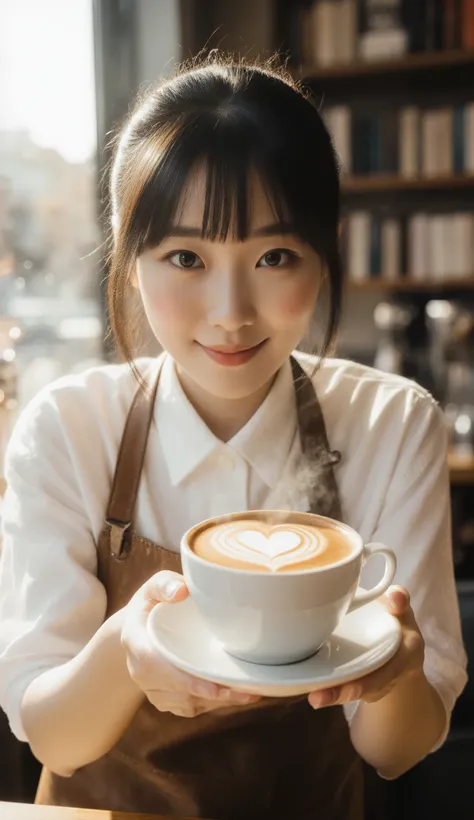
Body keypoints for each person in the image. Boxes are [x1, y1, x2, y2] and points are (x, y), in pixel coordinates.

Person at [0, 56, 467, 820]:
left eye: (274, 256)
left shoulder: (392, 423)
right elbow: (52, 735)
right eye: (185, 257)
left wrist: (394, 674)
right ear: (131, 257)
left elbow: (398, 750)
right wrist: (127, 651)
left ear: (325, 250)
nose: (231, 312)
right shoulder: (68, 428)